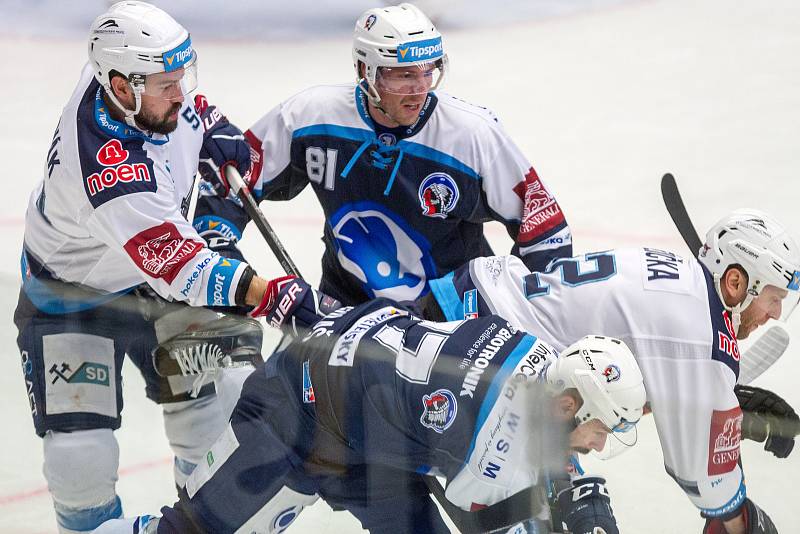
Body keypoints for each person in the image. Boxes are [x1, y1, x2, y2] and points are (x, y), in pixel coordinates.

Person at [14, 2, 287, 532]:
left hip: (151, 278)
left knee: (219, 417)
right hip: (73, 297)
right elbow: (181, 266)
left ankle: (203, 520)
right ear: (120, 86)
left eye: (181, 77)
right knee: (80, 462)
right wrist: (270, 293)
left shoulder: (135, 84)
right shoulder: (110, 169)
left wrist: (216, 128)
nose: (180, 94)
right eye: (167, 84)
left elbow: (190, 107)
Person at [94, 279, 647, 534]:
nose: (600, 443)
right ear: (568, 404)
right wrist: (560, 503)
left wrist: (562, 488)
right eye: (600, 429)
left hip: (369, 414)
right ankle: (236, 358)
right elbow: (480, 516)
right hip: (298, 414)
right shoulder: (484, 441)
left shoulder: (539, 350)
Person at [422, 208, 800, 533]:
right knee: (577, 515)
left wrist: (709, 399)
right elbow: (702, 476)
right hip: (483, 362)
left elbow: (626, 373)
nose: (776, 313)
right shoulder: (702, 335)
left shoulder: (680, 277)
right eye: (773, 299)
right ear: (736, 282)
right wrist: (739, 517)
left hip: (472, 307)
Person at [204, 3, 572, 306]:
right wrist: (227, 268)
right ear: (365, 71)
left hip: (454, 321)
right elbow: (231, 180)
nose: (419, 90)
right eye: (402, 75)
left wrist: (526, 309)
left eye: (429, 72)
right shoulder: (308, 117)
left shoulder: (472, 134)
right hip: (347, 313)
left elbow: (545, 232)